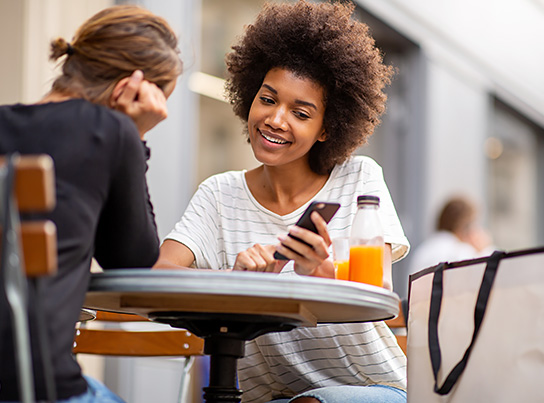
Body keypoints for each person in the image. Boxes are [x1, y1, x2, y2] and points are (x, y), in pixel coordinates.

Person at [155, 1, 409, 402]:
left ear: (327, 128)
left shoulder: (358, 179)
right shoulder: (219, 194)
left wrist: (318, 271)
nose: (276, 119)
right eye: (268, 99)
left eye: (301, 112)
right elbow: (161, 275)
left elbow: (378, 294)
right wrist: (233, 281)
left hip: (374, 388)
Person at [0, 5, 182, 402]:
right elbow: (134, 262)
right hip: (35, 386)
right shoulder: (111, 131)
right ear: (129, 88)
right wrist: (135, 134)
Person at [408, 196, 494, 275]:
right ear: (464, 227)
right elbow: (489, 273)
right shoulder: (460, 251)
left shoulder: (422, 250)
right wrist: (483, 249)